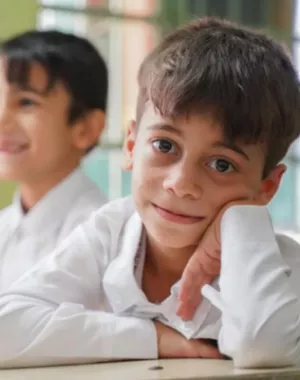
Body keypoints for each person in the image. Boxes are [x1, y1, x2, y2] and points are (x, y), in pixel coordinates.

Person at [0, 17, 300, 369]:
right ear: (131, 144)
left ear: (267, 186)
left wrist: (241, 221)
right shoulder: (112, 230)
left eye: (222, 165)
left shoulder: (282, 266)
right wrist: (152, 337)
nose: (181, 183)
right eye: (164, 145)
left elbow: (263, 348)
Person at [0, 30, 108, 291]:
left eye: (25, 102)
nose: (2, 119)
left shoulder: (105, 238)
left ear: (85, 128)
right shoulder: (5, 224)